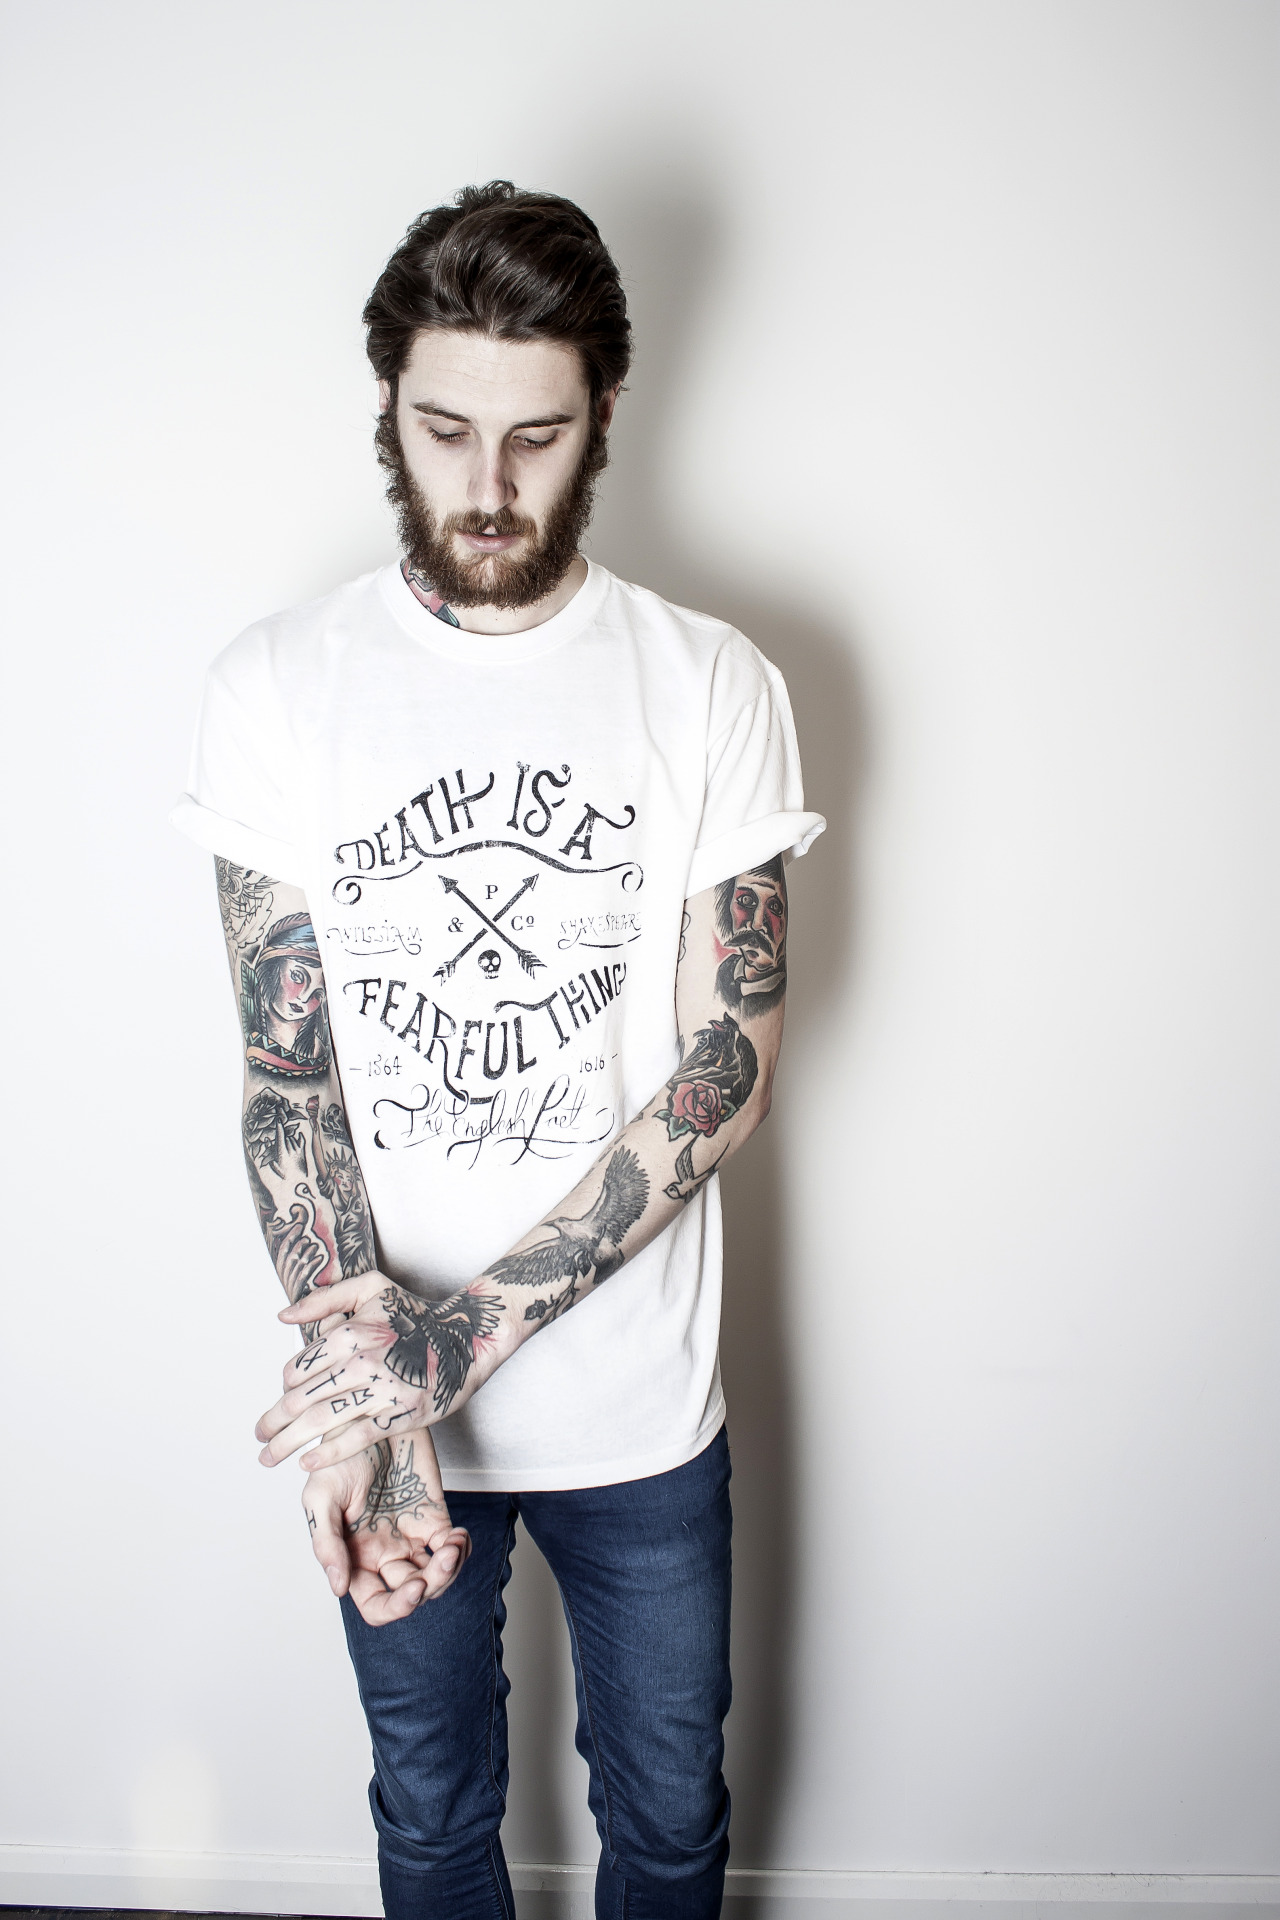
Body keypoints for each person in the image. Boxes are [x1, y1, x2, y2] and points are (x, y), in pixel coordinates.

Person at [174, 181, 824, 1920]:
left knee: (669, 1821)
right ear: (387, 406)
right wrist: (369, 1404)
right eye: (443, 430)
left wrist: (456, 1340)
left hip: (641, 1415)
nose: (486, 486)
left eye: (536, 437)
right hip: (396, 1423)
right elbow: (291, 1078)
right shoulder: (276, 684)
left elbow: (724, 1067)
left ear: (604, 414)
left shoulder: (712, 682)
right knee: (434, 1814)